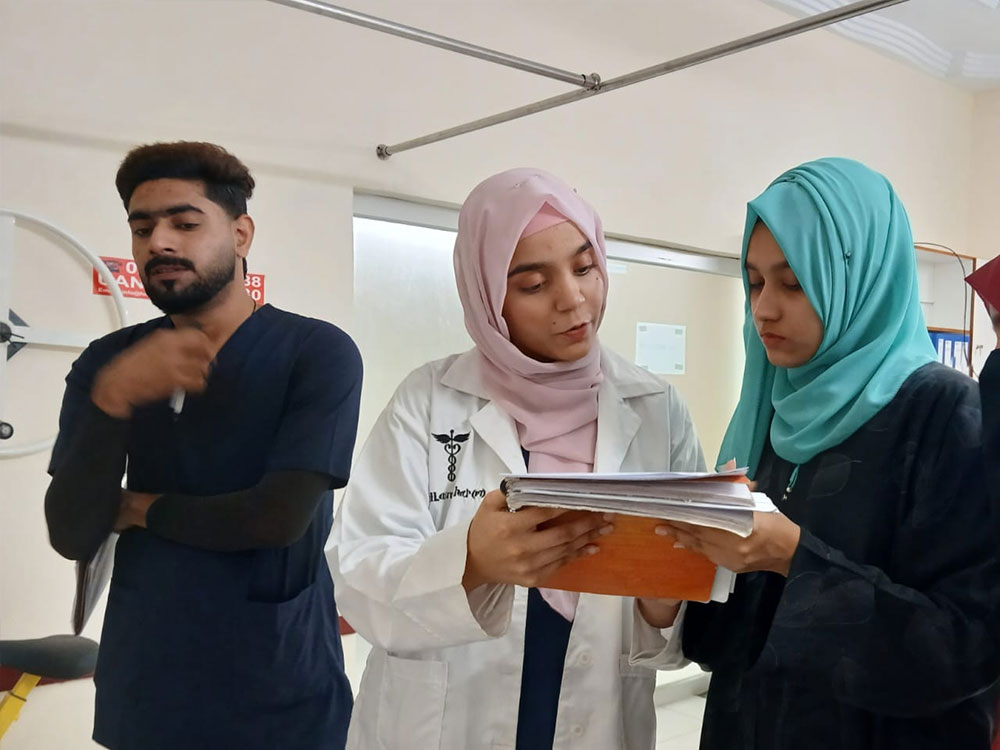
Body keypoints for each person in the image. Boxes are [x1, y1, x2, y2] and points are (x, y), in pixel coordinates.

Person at [327, 167, 703, 750]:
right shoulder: (429, 401)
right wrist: (471, 562)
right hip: (446, 724)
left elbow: (676, 622)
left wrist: (665, 601)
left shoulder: (657, 408)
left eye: (584, 268)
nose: (572, 299)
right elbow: (356, 570)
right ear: (487, 296)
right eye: (532, 284)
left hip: (599, 719)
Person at [658, 158, 1000, 749]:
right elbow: (728, 644)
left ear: (862, 279)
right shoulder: (773, 409)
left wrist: (792, 558)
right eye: (755, 282)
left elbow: (966, 647)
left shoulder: (947, 414)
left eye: (793, 284)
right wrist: (677, 576)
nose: (764, 309)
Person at [44, 141, 362, 750]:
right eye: (143, 229)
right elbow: (72, 533)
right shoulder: (109, 365)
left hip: (279, 686)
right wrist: (113, 401)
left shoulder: (315, 353)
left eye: (185, 224)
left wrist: (136, 507)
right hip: (146, 687)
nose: (159, 243)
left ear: (241, 234)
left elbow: (274, 519)